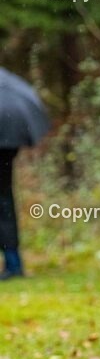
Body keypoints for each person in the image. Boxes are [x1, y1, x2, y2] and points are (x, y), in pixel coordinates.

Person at [0, 68, 51, 280]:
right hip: (6, 157)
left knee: (4, 207)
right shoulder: (13, 95)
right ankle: (14, 263)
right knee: (5, 207)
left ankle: (13, 263)